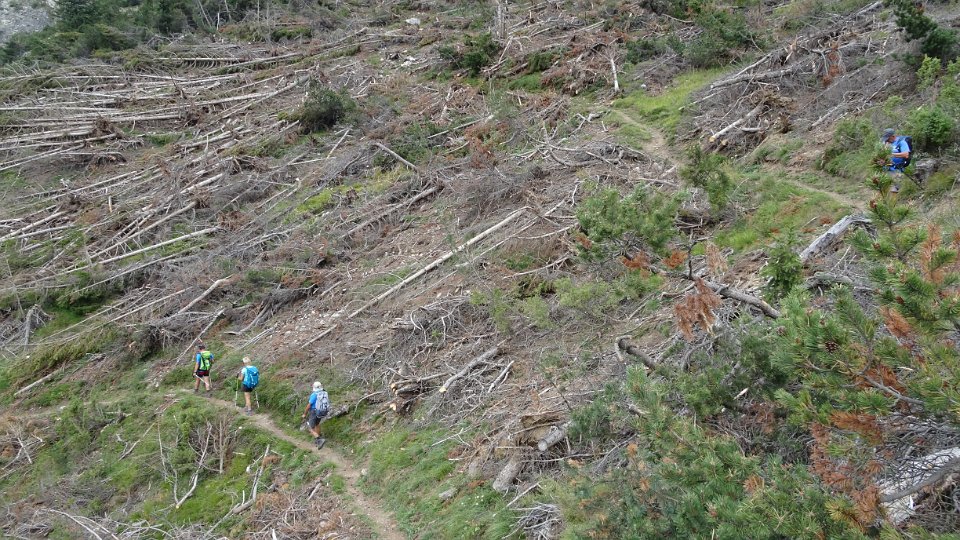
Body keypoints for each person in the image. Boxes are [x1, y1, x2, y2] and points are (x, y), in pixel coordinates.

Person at [301, 381, 330, 449]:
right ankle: (318, 438)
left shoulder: (314, 394)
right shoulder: (324, 393)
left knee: (310, 427)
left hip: (314, 412)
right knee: (317, 424)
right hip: (321, 411)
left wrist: (304, 414)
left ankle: (319, 440)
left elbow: (309, 405)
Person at [881, 128, 911, 193]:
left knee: (895, 190)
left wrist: (892, 155)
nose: (887, 140)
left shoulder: (901, 142)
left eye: (888, 138)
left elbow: (906, 154)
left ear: (892, 136)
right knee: (886, 190)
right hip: (886, 170)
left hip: (896, 170)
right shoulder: (886, 143)